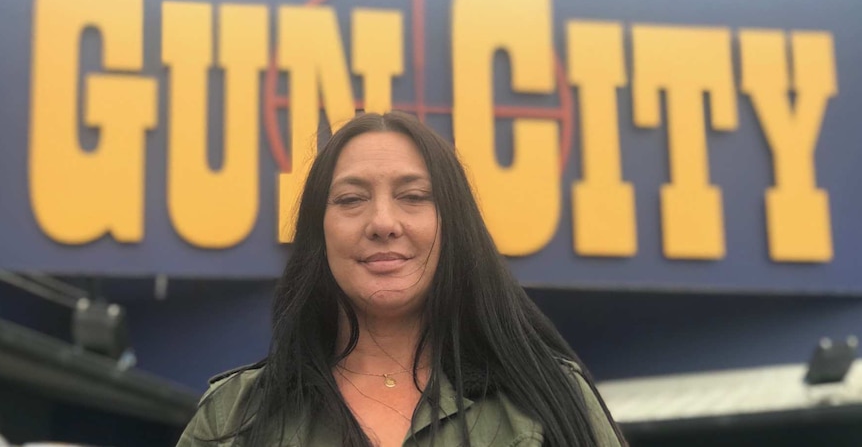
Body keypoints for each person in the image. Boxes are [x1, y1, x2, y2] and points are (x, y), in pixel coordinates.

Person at [177, 111, 625, 447]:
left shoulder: (549, 397)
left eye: (413, 197)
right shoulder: (236, 416)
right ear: (318, 234)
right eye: (351, 199)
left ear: (454, 227)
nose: (383, 222)